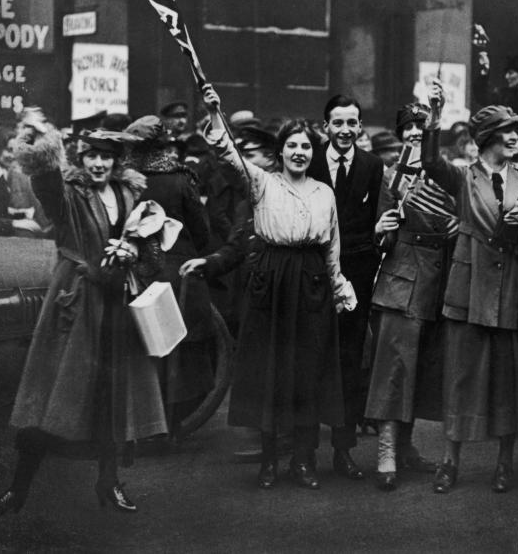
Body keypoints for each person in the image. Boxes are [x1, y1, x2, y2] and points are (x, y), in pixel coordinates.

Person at [0, 128, 168, 518]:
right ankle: (17, 490)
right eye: (91, 156)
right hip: (77, 303)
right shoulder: (69, 193)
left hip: (116, 303)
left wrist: (133, 250)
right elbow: (47, 189)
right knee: (49, 396)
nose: (98, 164)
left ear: (117, 162)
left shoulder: (129, 194)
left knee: (112, 396)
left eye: (106, 157)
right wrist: (43, 151)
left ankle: (109, 482)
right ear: (80, 159)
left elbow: (151, 243)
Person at [201, 85, 356, 490]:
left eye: (306, 146)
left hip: (312, 283)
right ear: (281, 152)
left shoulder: (324, 194)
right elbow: (226, 153)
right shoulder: (260, 183)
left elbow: (333, 246)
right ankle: (269, 460)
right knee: (270, 372)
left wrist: (339, 286)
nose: (300, 153)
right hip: (270, 281)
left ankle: (303, 460)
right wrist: (216, 112)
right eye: (292, 146)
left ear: (312, 152)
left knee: (307, 373)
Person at [423, 82, 518, 494]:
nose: (515, 138)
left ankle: (505, 464)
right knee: (463, 378)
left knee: (509, 380)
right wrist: (435, 118)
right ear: (486, 139)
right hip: (471, 292)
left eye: (517, 133)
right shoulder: (465, 178)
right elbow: (431, 163)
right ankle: (449, 462)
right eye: (507, 132)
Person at [365, 102, 453, 491]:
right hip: (402, 275)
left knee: (422, 369)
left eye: (422, 126)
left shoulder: (451, 173)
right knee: (394, 368)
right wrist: (382, 230)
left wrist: (458, 224)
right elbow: (379, 237)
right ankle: (386, 450)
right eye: (409, 128)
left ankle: (406, 447)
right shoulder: (391, 177)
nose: (416, 132)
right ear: (400, 135)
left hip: (441, 280)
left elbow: (471, 212)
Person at [308, 95, 385, 480]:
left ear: (360, 127)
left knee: (349, 361)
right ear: (326, 127)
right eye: (337, 123)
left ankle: (343, 449)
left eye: (351, 123)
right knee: (310, 357)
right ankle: (303, 451)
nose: (344, 130)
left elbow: (374, 226)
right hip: (312, 272)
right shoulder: (310, 159)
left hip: (356, 273)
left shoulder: (372, 166)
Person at [123, 115, 215, 435]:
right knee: (183, 351)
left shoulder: (124, 179)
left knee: (139, 349)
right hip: (177, 275)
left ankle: (142, 422)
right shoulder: (181, 179)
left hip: (134, 272)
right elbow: (202, 232)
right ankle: (172, 422)